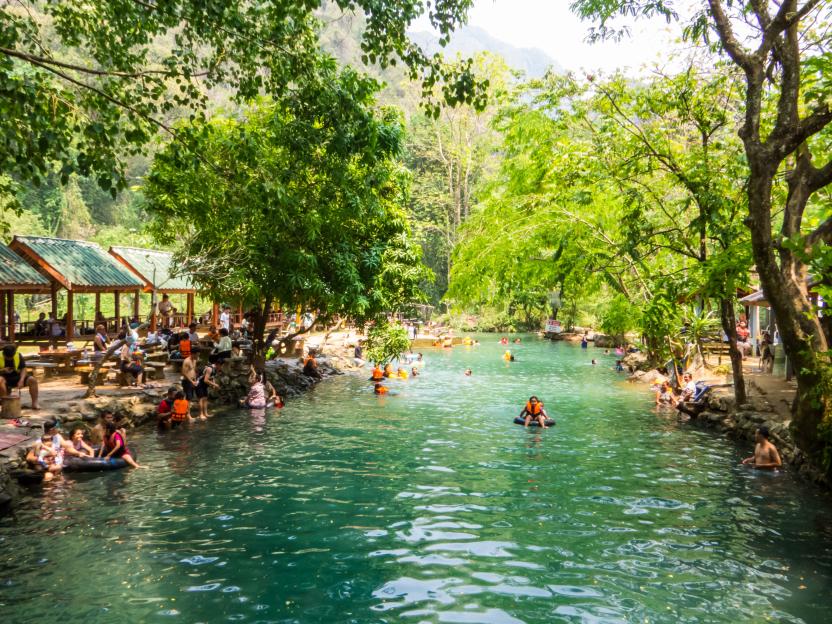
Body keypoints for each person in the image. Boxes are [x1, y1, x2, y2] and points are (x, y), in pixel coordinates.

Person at [0, 344, 39, 409]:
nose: (10, 359)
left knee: (32, 380)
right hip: (3, 378)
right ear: (4, 354)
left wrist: (21, 380)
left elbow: (23, 369)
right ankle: (5, 404)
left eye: (11, 357)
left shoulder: (18, 355)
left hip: (16, 377)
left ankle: (35, 403)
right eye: (8, 357)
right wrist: (2, 371)